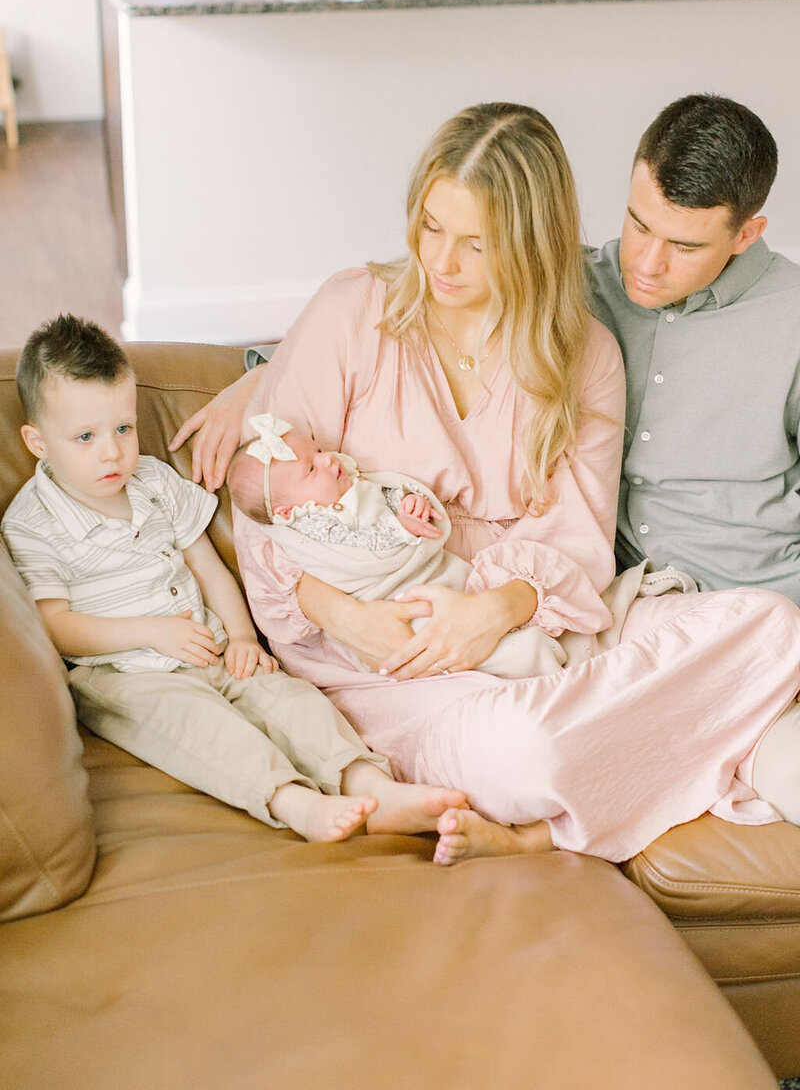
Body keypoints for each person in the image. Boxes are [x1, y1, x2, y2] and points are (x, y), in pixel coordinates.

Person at [169, 102, 800, 867]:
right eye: (431, 227)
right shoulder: (350, 312)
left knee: (771, 627)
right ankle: (641, 756)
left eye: (476, 243)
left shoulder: (585, 353)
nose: (443, 263)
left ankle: (606, 762)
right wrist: (347, 616)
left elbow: (579, 541)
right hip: (391, 665)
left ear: (533, 243)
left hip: (542, 635)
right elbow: (267, 507)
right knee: (520, 753)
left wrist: (494, 607)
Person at [1, 315, 469, 846]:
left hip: (213, 649)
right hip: (126, 673)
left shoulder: (152, 481)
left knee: (290, 702)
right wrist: (150, 632)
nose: (112, 452)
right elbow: (55, 626)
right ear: (36, 441)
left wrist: (243, 638)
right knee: (205, 731)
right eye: (85, 437)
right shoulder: (32, 524)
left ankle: (370, 785)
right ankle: (297, 803)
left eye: (123, 429)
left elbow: (205, 563)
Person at [586, 93, 800, 604]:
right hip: (617, 604)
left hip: (760, 604)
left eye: (684, 246)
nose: (646, 263)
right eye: (639, 225)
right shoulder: (576, 287)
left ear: (746, 234)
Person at [227, 412, 568, 678]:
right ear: (288, 512)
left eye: (318, 450)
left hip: (437, 579)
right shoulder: (310, 527)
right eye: (311, 469)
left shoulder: (349, 487)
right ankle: (532, 658)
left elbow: (383, 495)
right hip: (391, 605)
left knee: (471, 607)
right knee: (439, 642)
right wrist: (400, 529)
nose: (330, 459)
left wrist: (408, 505)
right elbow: (363, 544)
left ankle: (524, 638)